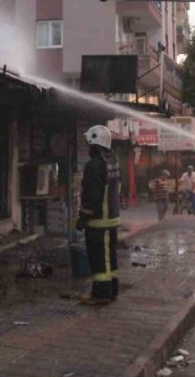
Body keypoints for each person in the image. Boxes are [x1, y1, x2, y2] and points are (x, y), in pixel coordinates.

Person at [76, 125, 120, 304]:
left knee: (100, 261)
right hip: (111, 218)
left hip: (99, 221)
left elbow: (91, 195)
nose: (88, 148)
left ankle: (101, 295)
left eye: (90, 143)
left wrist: (83, 217)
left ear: (96, 143)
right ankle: (112, 291)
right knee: (110, 259)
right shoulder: (113, 160)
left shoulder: (95, 165)